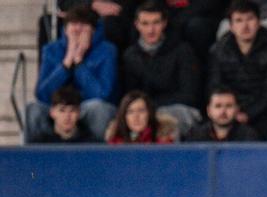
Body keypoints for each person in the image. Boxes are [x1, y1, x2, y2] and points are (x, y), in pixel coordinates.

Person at [25, 5, 118, 143]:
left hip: (86, 106)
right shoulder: (51, 50)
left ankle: (99, 156)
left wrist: (79, 63)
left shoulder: (107, 50)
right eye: (73, 24)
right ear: (65, 28)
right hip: (58, 106)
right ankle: (33, 157)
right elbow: (42, 94)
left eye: (83, 25)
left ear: (93, 30)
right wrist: (66, 63)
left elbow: (102, 94)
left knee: (99, 109)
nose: (77, 29)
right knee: (33, 109)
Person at [121, 1, 203, 137]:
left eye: (156, 23)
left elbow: (189, 95)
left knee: (169, 118)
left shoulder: (182, 51)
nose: (150, 30)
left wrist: (151, 108)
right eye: (145, 24)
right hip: (145, 111)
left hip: (177, 108)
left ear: (164, 23)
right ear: (137, 25)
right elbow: (131, 95)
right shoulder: (131, 55)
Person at [207, 0, 267, 138]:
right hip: (229, 110)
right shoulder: (218, 51)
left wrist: (248, 114)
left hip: (262, 113)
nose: (245, 26)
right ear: (231, 26)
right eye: (239, 20)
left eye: (249, 19)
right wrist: (231, 111)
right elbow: (215, 85)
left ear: (258, 22)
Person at [184, 86, 261, 140]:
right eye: (218, 106)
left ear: (237, 110)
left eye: (229, 106)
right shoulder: (196, 135)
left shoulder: (248, 136)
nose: (223, 111)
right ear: (208, 110)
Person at [29, 86, 96, 144]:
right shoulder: (39, 144)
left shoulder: (91, 143)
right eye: (62, 110)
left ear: (79, 113)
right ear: (52, 112)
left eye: (72, 111)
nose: (67, 116)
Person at [106, 89, 177, 142]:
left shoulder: (164, 139)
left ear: (149, 113)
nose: (136, 116)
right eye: (130, 112)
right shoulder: (115, 142)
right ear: (123, 117)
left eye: (141, 110)